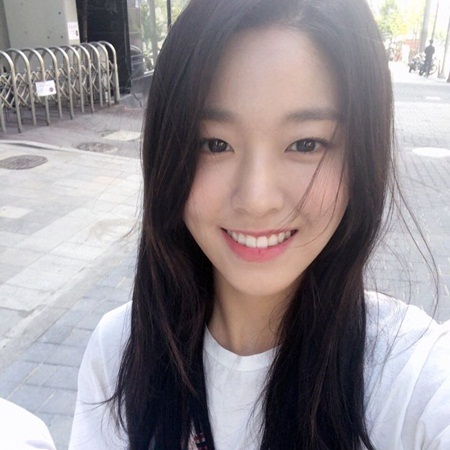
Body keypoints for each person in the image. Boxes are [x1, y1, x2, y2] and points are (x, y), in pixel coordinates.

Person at [69, 0, 450, 449]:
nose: (257, 199)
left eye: (306, 144)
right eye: (214, 144)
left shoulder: (413, 375)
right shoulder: (120, 350)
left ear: (362, 156)